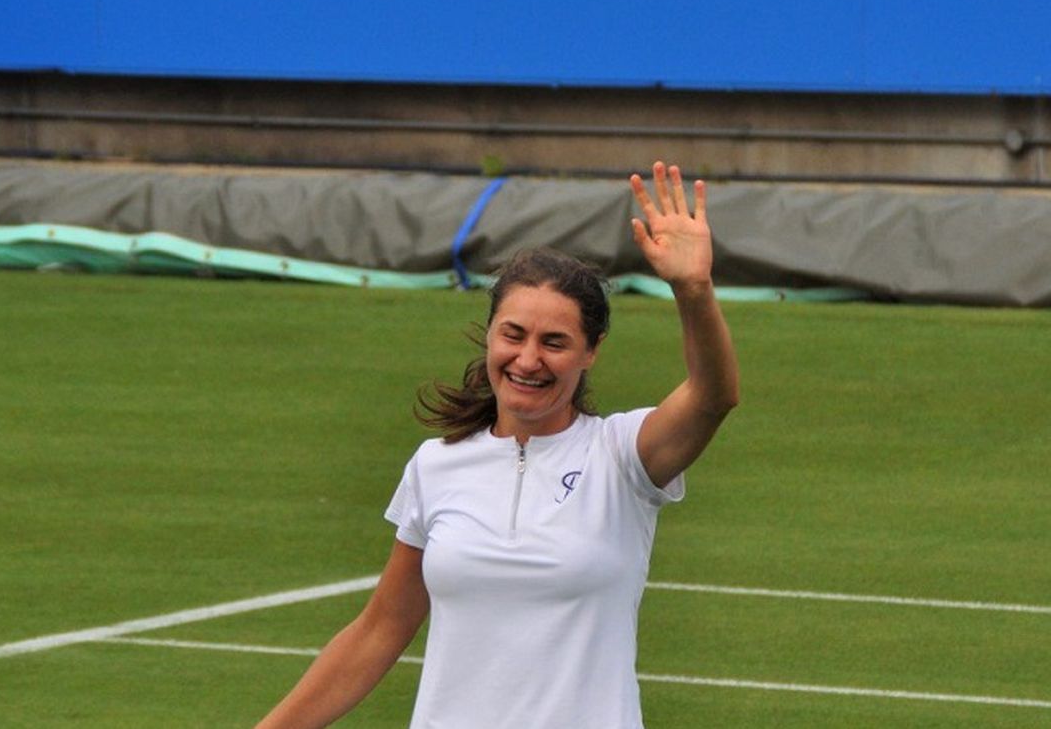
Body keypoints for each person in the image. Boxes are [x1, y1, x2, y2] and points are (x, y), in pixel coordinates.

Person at [255, 161, 739, 728]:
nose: (528, 360)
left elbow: (713, 396)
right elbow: (379, 630)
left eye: (554, 342)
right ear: (490, 335)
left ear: (591, 353)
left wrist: (694, 289)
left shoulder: (623, 455)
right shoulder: (437, 465)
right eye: (513, 335)